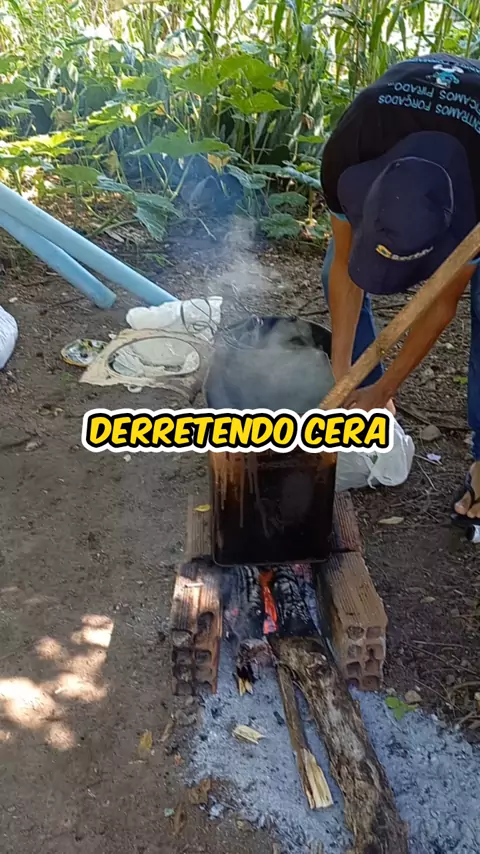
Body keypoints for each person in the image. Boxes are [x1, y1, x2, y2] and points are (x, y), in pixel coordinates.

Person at [320, 52, 480, 522]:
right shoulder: (348, 156)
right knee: (332, 266)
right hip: (393, 111)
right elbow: (344, 265)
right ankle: (368, 404)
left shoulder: (474, 203)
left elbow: (439, 305)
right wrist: (344, 371)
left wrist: (393, 381)